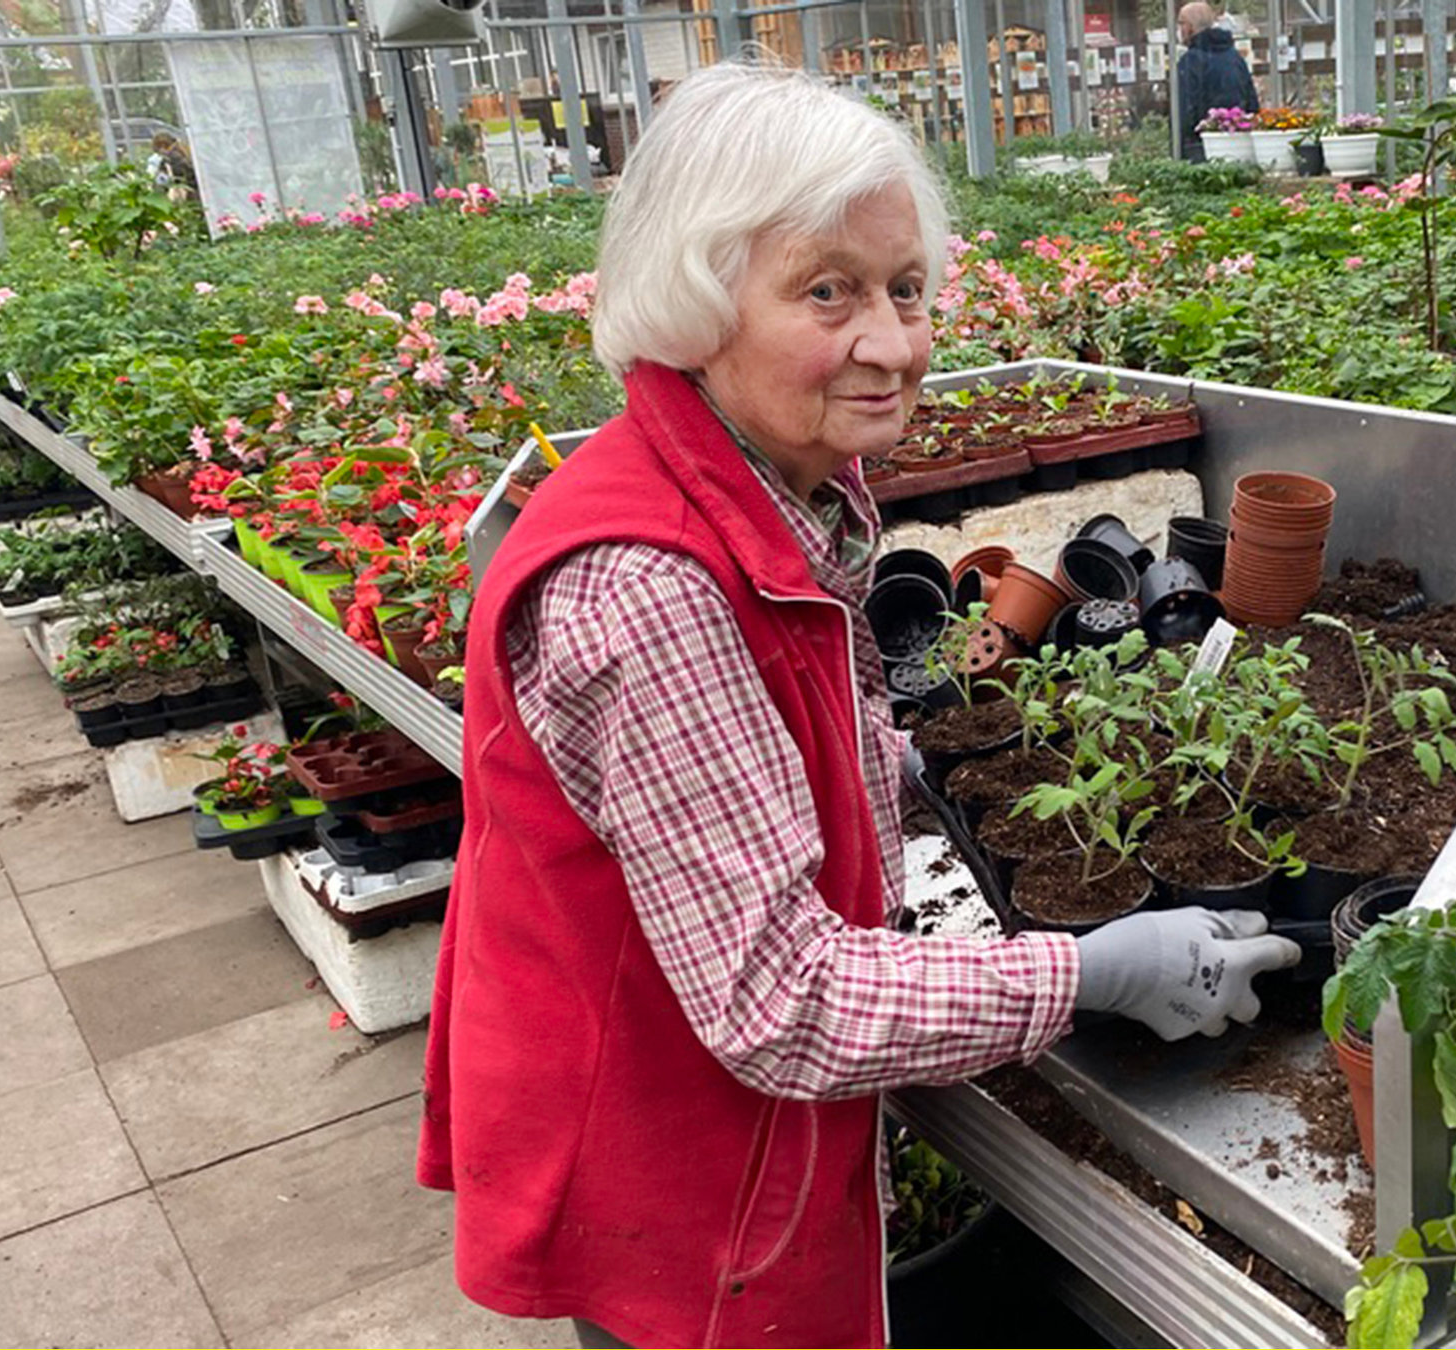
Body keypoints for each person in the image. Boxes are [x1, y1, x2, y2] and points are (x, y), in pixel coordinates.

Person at [415, 61, 1299, 1350]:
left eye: (905, 289)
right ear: (698, 298)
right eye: (825, 291)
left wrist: (925, 764)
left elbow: (790, 718)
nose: (891, 342)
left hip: (697, 1110)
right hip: (675, 1168)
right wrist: (1088, 970)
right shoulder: (651, 587)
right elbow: (785, 1002)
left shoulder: (769, 484)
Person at [1175, 1, 1258, 161]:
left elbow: (1184, 110)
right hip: (1240, 144)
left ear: (1190, 27)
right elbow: (1251, 101)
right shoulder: (1234, 57)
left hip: (1201, 147)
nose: (1179, 29)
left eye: (1181, 23)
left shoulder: (1190, 61)